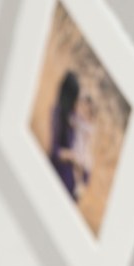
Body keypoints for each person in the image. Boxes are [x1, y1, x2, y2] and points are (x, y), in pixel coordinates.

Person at [48, 71, 81, 200]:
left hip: (70, 182)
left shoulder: (72, 118)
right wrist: (71, 156)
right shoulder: (57, 114)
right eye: (75, 97)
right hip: (58, 178)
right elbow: (54, 151)